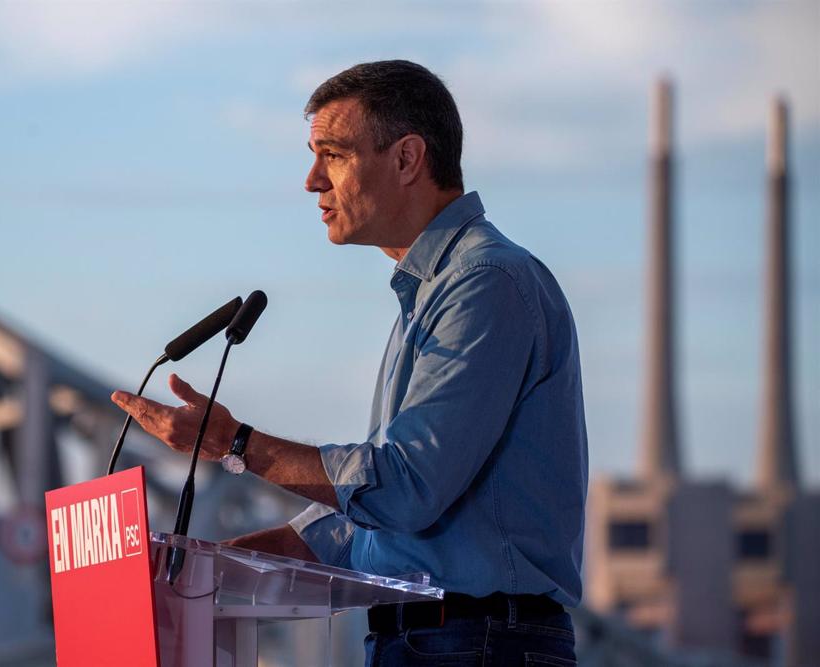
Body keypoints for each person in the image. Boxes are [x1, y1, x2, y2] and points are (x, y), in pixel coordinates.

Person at [113, 60, 587, 666]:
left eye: (332, 154)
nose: (312, 181)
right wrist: (205, 567)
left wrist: (236, 443)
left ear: (407, 159)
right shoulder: (435, 292)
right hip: (435, 640)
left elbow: (409, 487)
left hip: (475, 643)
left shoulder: (484, 284)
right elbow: (382, 518)